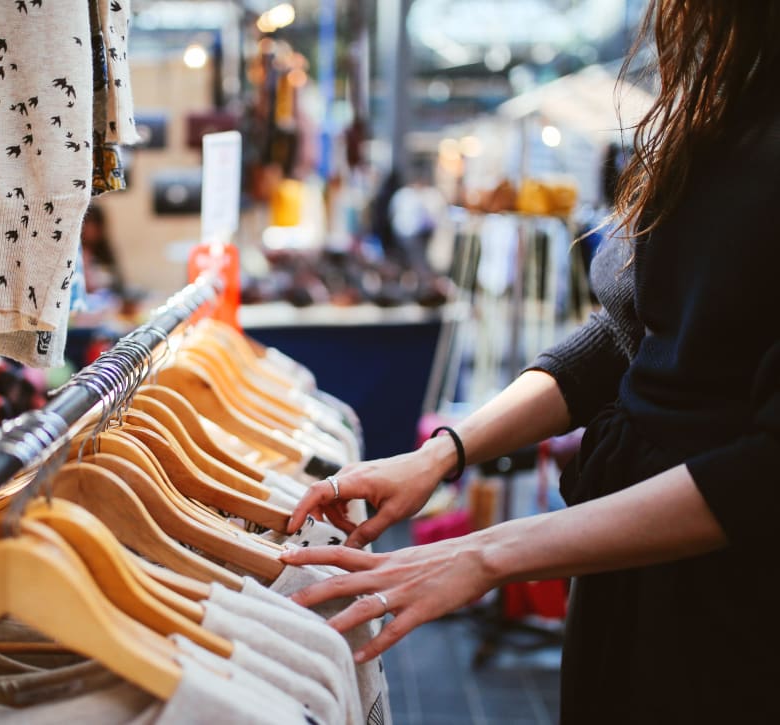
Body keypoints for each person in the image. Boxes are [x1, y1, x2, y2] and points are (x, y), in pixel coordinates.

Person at [279, 2, 780, 723]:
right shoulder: (723, 99)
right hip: (626, 567)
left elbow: (767, 470)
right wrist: (441, 455)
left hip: (731, 597)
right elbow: (629, 332)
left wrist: (489, 554)